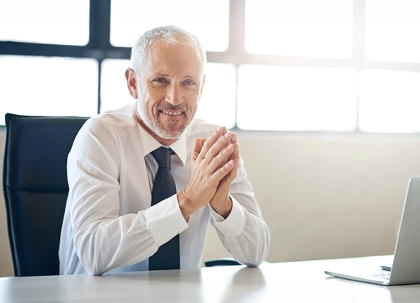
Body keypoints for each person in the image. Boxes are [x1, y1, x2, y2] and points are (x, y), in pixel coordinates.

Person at [59, 25, 270, 275]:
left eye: (188, 82)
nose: (175, 98)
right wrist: (187, 200)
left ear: (202, 86)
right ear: (133, 83)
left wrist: (224, 205)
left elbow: (256, 253)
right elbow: (94, 252)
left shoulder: (211, 144)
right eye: (161, 80)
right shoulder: (100, 136)